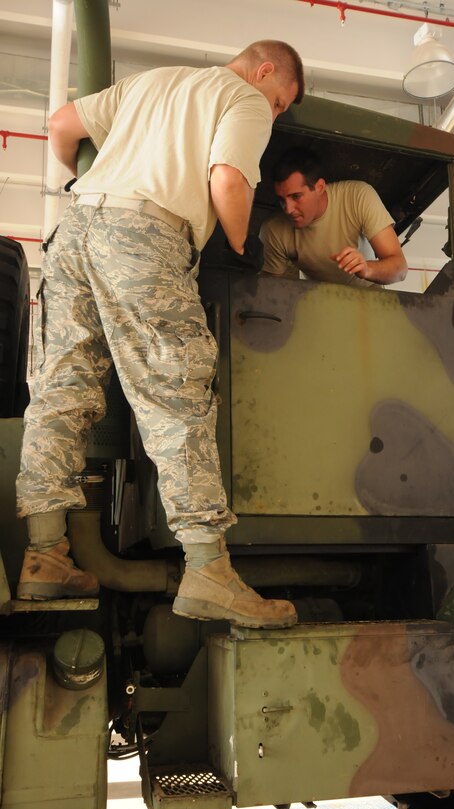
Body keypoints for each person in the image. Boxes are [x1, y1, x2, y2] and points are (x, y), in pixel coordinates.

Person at [15, 41, 305, 630]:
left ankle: (45, 556)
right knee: (176, 396)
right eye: (281, 102)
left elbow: (61, 124)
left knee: (59, 390)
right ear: (266, 71)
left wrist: (92, 186)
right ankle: (207, 569)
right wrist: (244, 243)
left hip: (75, 230)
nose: (273, 113)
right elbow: (227, 180)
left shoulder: (151, 82)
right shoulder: (242, 97)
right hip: (145, 235)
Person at [260, 146, 407, 287]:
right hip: (318, 300)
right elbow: (270, 291)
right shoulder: (273, 230)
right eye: (282, 200)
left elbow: (399, 269)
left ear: (320, 187)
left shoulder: (358, 196)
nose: (288, 209)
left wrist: (367, 269)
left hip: (368, 294)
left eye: (296, 196)